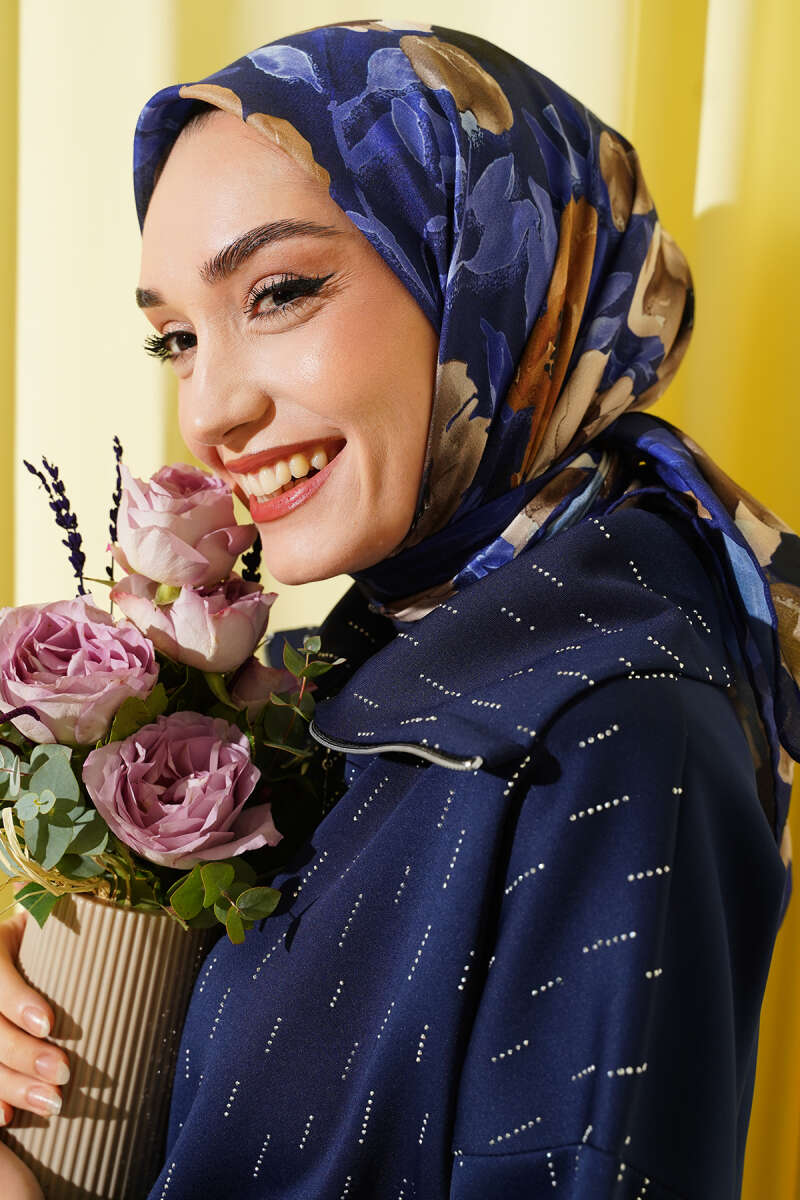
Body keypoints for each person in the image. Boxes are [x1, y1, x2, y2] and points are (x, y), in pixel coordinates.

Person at [1, 19, 798, 1199]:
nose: (207, 411)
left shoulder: (610, 737)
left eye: (277, 293)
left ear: (487, 277)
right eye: (175, 338)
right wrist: (64, 1028)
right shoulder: (339, 666)